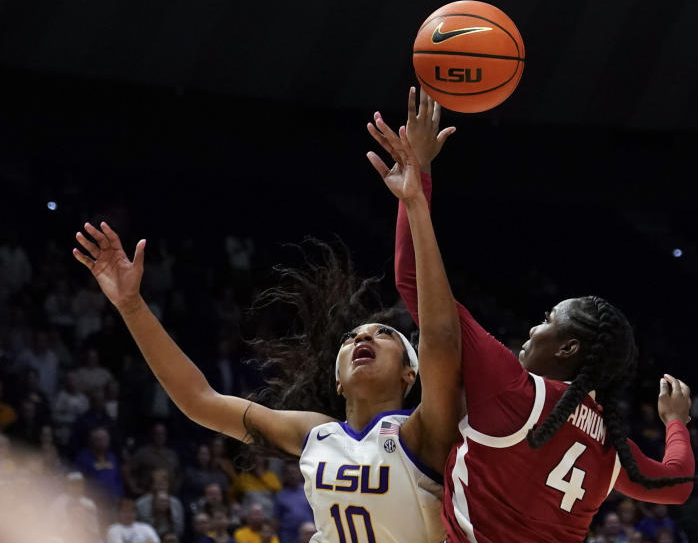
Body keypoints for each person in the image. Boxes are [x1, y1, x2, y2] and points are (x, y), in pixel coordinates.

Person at [71, 116, 463, 543]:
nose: (362, 338)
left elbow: (441, 339)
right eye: (351, 338)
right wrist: (131, 305)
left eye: (383, 334)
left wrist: (416, 201)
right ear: (338, 382)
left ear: (411, 372)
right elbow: (199, 400)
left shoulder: (423, 430)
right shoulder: (317, 434)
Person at [373, 88, 695, 543]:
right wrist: (676, 422)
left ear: (568, 347)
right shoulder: (610, 443)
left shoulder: (515, 391)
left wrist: (419, 178)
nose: (532, 328)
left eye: (547, 318)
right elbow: (678, 485)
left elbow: (412, 282)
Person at [274, 462, 312, 543]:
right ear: (286, 476)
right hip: (288, 537)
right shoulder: (280, 495)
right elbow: (276, 520)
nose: (292, 476)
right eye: (290, 473)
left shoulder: (308, 492)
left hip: (308, 536)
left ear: (300, 474)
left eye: (295, 472)